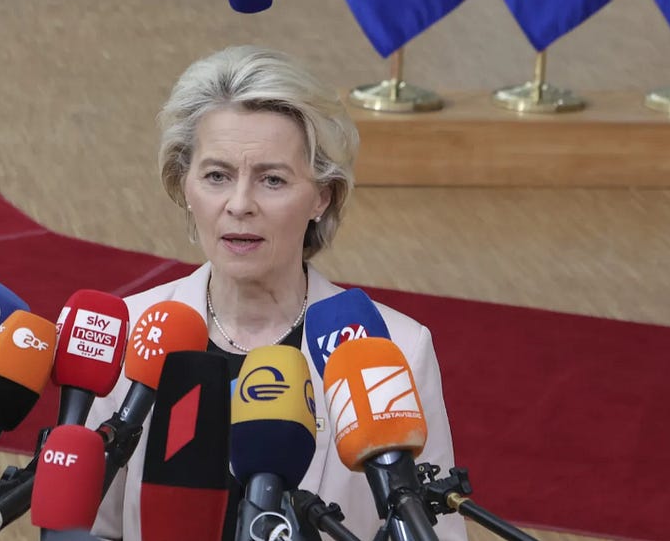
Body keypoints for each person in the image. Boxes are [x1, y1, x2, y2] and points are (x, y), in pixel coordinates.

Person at [87, 46, 467, 541]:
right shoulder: (135, 334)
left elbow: (432, 531)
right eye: (217, 176)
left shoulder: (395, 349)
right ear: (185, 186)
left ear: (321, 196)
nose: (240, 204)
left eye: (272, 179)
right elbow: (93, 527)